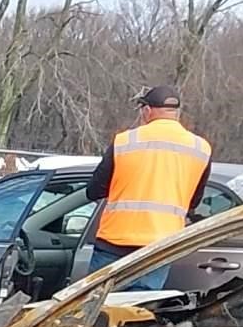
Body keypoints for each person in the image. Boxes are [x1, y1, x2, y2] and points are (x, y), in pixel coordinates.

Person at [81, 87, 213, 287]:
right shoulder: (200, 148)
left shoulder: (125, 141)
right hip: (160, 247)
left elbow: (94, 190)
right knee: (138, 312)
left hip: (115, 243)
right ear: (177, 113)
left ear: (147, 110)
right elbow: (193, 201)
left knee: (102, 310)